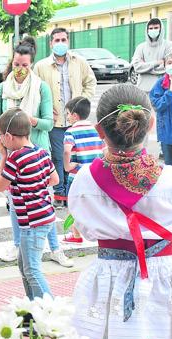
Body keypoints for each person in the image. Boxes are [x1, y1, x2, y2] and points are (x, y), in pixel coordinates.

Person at [68, 84, 172, 339]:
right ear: (152, 124)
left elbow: (84, 227)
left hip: (107, 279)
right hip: (164, 279)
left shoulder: (84, 181)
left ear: (99, 131)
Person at [0, 37, 68, 266]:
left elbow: (48, 123)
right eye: (16, 65)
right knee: (16, 203)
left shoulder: (40, 87)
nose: (20, 69)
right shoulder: (2, 89)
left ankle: (55, 248)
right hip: (12, 153)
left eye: (25, 65)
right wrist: (9, 124)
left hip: (36, 151)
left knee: (45, 201)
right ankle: (17, 245)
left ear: (31, 64)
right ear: (11, 63)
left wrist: (27, 121)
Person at [0, 108, 60, 301]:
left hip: (32, 222)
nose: (0, 140)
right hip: (44, 216)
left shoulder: (15, 157)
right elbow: (54, 179)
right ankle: (34, 306)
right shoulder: (40, 151)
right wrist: (34, 183)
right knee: (25, 266)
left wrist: (3, 157)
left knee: (31, 269)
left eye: (0, 136)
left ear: (8, 136)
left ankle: (50, 310)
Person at [33, 27, 97, 206]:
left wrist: (82, 102)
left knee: (75, 156)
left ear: (68, 41)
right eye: (57, 40)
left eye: (63, 40)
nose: (60, 43)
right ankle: (60, 193)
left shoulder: (79, 62)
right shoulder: (41, 66)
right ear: (51, 43)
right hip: (55, 121)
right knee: (59, 156)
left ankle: (73, 191)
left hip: (76, 120)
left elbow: (90, 82)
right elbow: (35, 90)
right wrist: (44, 108)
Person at [62, 96, 105, 243]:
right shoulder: (95, 129)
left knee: (73, 204)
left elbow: (67, 151)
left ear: (74, 115)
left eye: (67, 113)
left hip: (76, 176)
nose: (67, 117)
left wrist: (67, 166)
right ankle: (97, 233)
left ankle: (76, 235)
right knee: (93, 204)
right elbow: (104, 150)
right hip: (94, 175)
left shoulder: (71, 132)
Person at [150, 51, 172, 167]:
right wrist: (170, 92)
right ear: (165, 66)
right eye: (169, 62)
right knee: (170, 165)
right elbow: (157, 105)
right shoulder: (160, 84)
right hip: (167, 129)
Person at [132, 18, 172, 93]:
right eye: (150, 28)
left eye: (156, 28)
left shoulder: (168, 46)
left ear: (161, 29)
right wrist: (157, 63)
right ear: (147, 30)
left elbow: (169, 67)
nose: (153, 30)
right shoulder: (140, 47)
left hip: (161, 90)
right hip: (143, 89)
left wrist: (145, 67)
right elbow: (137, 67)